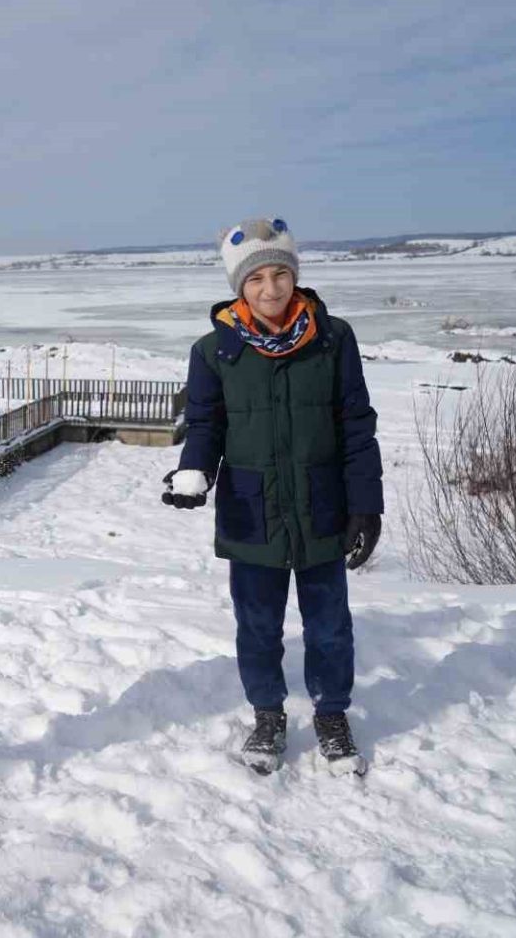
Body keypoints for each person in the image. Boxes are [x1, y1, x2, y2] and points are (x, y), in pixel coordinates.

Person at [162, 217, 382, 777]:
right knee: (258, 625)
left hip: (322, 506)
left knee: (329, 625)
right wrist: (193, 472)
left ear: (294, 275)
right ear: (239, 285)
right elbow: (205, 425)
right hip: (251, 510)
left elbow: (356, 424)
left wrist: (366, 503)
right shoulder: (214, 351)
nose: (270, 288)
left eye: (279, 274)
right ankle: (267, 714)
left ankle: (331, 713)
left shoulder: (333, 339)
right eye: (256, 278)